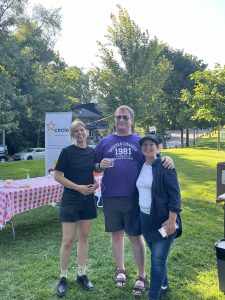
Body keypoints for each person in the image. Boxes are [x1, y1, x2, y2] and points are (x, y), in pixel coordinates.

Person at [95, 105, 174, 296]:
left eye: (124, 117)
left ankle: (141, 275)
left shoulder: (140, 141)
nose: (120, 121)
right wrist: (100, 164)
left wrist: (168, 158)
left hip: (134, 197)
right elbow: (95, 165)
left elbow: (156, 159)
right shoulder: (104, 142)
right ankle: (120, 270)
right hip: (110, 195)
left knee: (135, 236)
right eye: (117, 117)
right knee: (116, 235)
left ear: (132, 120)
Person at [54, 120, 99, 297]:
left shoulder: (92, 152)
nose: (80, 133)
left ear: (86, 132)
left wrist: (95, 184)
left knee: (84, 237)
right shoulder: (67, 152)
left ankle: (81, 274)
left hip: (87, 199)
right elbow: (57, 176)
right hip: (71, 199)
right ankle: (63, 277)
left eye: (82, 130)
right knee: (68, 240)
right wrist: (77, 187)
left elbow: (92, 173)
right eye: (76, 131)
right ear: (73, 135)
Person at [136, 134, 182, 300]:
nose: (148, 147)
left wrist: (171, 220)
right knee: (157, 256)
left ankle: (153, 296)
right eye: (145, 145)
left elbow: (175, 194)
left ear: (158, 147)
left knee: (157, 260)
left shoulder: (165, 166)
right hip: (145, 218)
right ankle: (164, 284)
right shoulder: (141, 164)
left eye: (151, 144)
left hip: (164, 220)